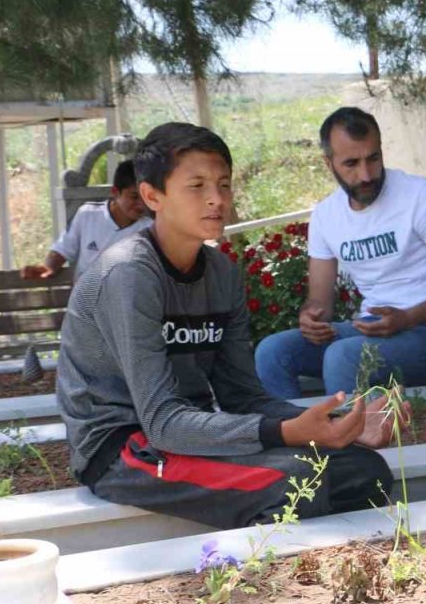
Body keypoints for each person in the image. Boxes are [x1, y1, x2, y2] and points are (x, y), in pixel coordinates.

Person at [57, 123, 402, 530]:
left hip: (191, 434)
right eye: (197, 186)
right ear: (153, 196)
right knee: (296, 479)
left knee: (363, 469)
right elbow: (162, 423)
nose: (216, 199)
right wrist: (287, 432)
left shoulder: (221, 273)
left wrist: (345, 423)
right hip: (124, 449)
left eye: (223, 184)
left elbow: (242, 396)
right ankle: (272, 581)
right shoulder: (129, 274)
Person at [255, 107, 426, 398]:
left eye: (374, 158)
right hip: (373, 329)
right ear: (329, 164)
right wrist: (311, 317)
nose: (366, 174)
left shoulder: (420, 195)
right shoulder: (326, 215)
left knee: (344, 356)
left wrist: (407, 318)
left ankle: (348, 443)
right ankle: (301, 439)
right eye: (351, 164)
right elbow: (320, 300)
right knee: (272, 352)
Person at [21, 159, 151, 281]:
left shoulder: (152, 227)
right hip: (85, 301)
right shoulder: (87, 215)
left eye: (146, 197)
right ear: (115, 192)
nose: (141, 204)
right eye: (134, 197)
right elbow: (63, 249)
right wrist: (48, 268)